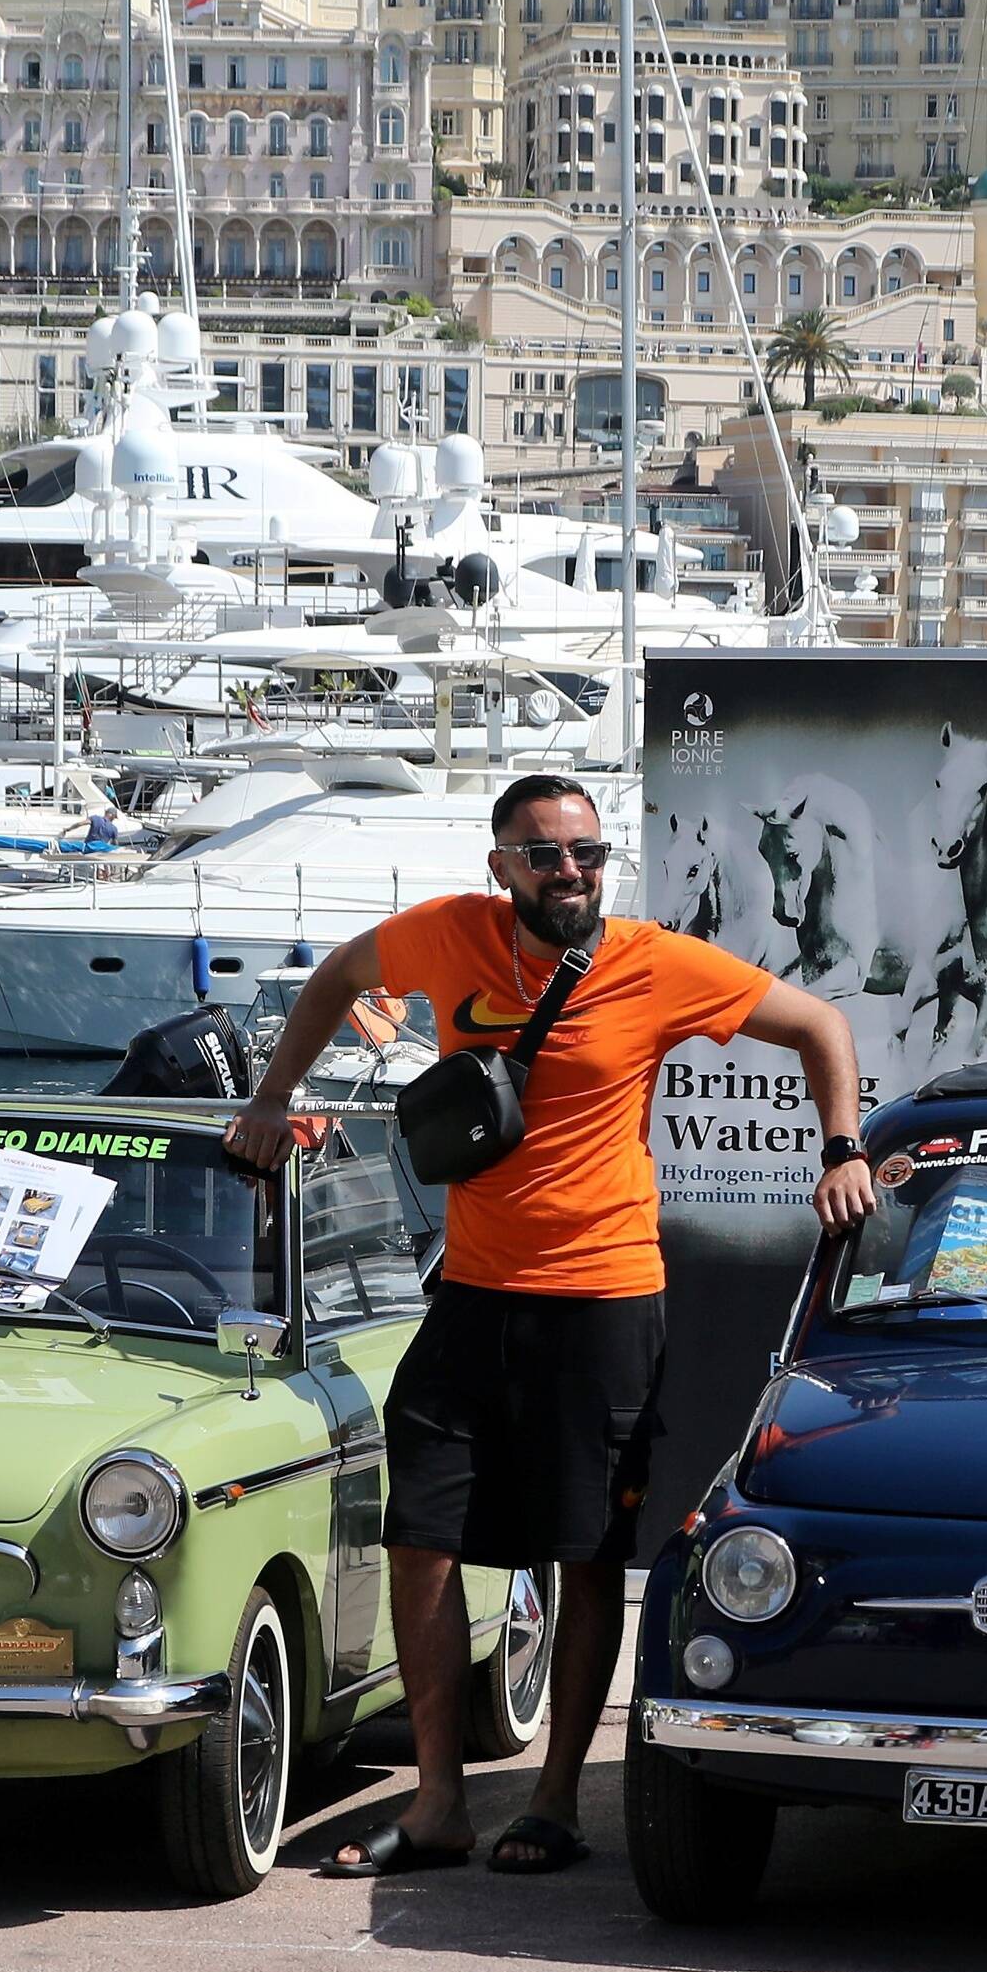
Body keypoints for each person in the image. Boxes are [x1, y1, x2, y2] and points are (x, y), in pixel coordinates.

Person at [225, 773, 876, 1877]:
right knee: (420, 1535)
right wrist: (273, 1097)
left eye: (584, 852)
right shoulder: (447, 936)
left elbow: (816, 1023)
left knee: (586, 1554)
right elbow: (339, 974)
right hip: (473, 1294)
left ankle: (558, 1797)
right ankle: (436, 1803)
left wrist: (840, 1147)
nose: (568, 871)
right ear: (501, 867)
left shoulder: (653, 962)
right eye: (542, 854)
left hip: (604, 1299)